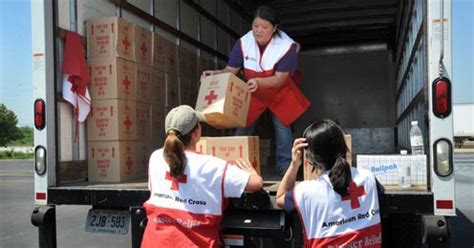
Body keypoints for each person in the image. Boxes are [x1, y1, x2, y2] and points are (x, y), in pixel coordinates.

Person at [202, 5, 310, 176]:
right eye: (255, 26)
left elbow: (280, 78)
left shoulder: (287, 46)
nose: (258, 31)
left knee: (282, 128)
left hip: (279, 91)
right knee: (243, 126)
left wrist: (259, 81)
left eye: (264, 27)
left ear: (274, 28)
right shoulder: (243, 43)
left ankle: (284, 168)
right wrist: (215, 73)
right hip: (253, 91)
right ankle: (235, 166)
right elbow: (231, 70)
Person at [141, 105, 263, 248]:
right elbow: (256, 184)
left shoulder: (155, 158)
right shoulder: (212, 166)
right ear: (197, 132)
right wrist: (252, 173)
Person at [276, 119, 383, 247]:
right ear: (344, 146)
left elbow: (280, 197)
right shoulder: (368, 178)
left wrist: (294, 164)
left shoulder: (305, 192)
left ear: (310, 158)